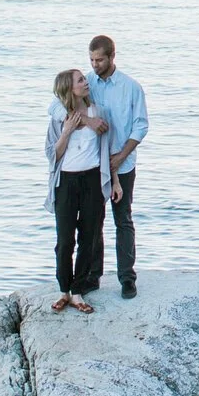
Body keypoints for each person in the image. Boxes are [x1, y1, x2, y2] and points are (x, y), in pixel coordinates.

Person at [46, 67, 119, 312]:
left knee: (89, 237)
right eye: (80, 80)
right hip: (65, 182)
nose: (85, 81)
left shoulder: (99, 114)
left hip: (92, 180)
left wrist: (115, 181)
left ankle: (78, 292)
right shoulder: (59, 118)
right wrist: (66, 132)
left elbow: (108, 151)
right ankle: (63, 290)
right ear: (70, 89)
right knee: (65, 240)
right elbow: (52, 156)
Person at [86, 34, 149, 299]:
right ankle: (92, 276)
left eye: (99, 60)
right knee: (93, 221)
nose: (94, 65)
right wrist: (89, 123)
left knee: (122, 219)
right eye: (91, 60)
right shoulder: (86, 83)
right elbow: (58, 106)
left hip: (123, 163)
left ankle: (127, 278)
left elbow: (141, 125)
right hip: (93, 162)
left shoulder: (131, 87)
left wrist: (121, 156)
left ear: (112, 57)